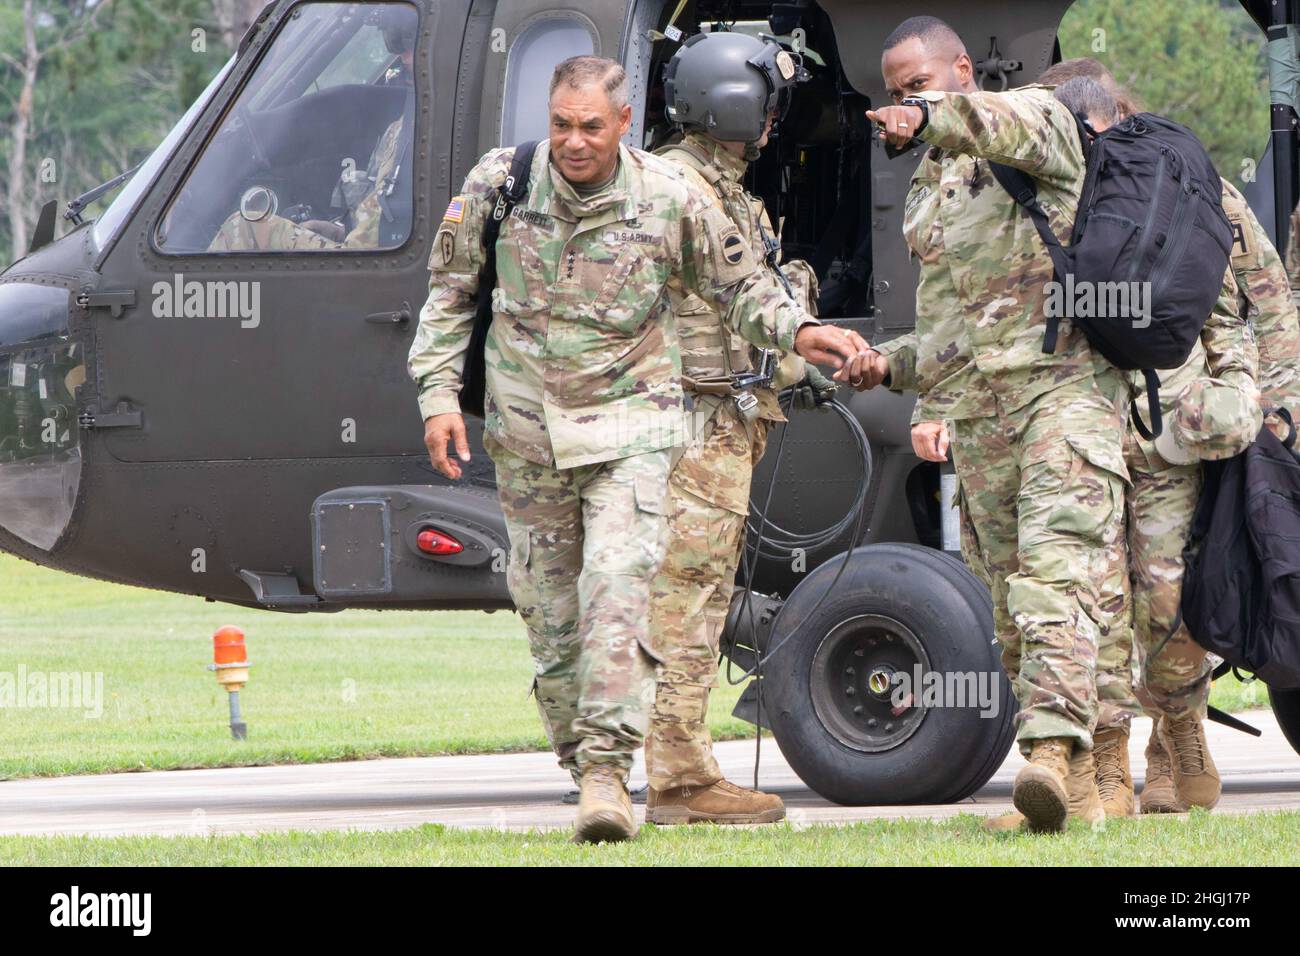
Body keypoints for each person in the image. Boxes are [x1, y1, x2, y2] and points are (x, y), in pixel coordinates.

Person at [407, 55, 866, 843]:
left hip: (633, 428)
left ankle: (607, 778)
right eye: (561, 125)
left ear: (624, 124)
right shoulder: (502, 184)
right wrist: (439, 397)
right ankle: (581, 756)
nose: (574, 142)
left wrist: (803, 331)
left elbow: (742, 287)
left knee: (618, 593)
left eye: (591, 126)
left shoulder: (670, 197)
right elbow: (450, 297)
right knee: (554, 627)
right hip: (527, 436)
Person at [864, 17, 1254, 833]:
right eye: (895, 94)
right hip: (983, 410)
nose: (903, 104)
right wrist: (892, 368)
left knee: (1070, 582)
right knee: (1011, 600)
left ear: (962, 70)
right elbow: (951, 322)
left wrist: (935, 115)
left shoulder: (1038, 123)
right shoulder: (934, 187)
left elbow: (999, 121)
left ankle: (1062, 752)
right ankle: (1080, 786)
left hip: (1067, 397)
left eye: (919, 86)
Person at [1039, 60, 1284, 816]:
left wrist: (1273, 408)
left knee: (1170, 599)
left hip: (1175, 432)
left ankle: (1180, 742)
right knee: (1096, 602)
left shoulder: (1188, 184)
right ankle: (1109, 768)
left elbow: (1266, 301)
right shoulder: (1047, 197)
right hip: (1079, 432)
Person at [644, 31, 834, 825]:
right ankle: (680, 781)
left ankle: (662, 767)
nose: (775, 120)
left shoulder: (714, 189)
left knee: (698, 595)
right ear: (738, 107)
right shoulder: (684, 190)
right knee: (686, 600)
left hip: (719, 417)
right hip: (696, 423)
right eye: (769, 103)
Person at [208, 10, 417, 252]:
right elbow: (385, 218)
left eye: (409, 39)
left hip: (369, 266)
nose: (403, 54)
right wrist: (339, 231)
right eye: (394, 40)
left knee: (243, 228)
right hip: (363, 250)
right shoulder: (404, 123)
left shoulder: (427, 128)